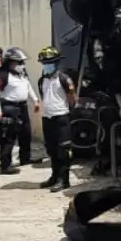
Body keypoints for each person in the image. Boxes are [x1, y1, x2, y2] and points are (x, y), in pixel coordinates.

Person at [0, 47, 39, 175]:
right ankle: (5, 165)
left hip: (22, 107)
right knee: (8, 137)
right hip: (8, 108)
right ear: (10, 62)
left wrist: (35, 100)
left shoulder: (22, 74)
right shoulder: (2, 75)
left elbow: (28, 87)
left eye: (23, 62)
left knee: (26, 133)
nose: (22, 65)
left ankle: (25, 158)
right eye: (19, 62)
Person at [37, 47, 76, 191]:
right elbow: (44, 97)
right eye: (45, 63)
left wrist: (69, 111)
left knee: (64, 150)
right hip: (47, 118)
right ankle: (54, 176)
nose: (47, 65)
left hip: (61, 117)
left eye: (50, 63)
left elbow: (72, 98)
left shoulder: (64, 79)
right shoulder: (42, 80)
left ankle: (63, 179)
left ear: (57, 63)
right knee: (51, 149)